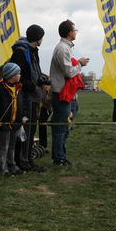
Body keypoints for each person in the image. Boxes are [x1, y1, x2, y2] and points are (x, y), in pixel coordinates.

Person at [49, 19, 89, 166]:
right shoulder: (62, 48)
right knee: (61, 126)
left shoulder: (66, 47)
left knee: (65, 125)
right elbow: (69, 72)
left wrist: (77, 63)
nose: (76, 32)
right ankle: (58, 158)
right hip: (62, 93)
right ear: (69, 33)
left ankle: (61, 155)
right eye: (74, 30)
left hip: (68, 93)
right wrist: (80, 64)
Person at [10, 24, 47, 172]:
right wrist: (31, 85)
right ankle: (21, 161)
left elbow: (34, 72)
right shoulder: (21, 51)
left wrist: (42, 80)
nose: (42, 39)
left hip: (33, 96)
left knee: (31, 130)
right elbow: (16, 75)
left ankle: (28, 160)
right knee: (25, 130)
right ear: (38, 38)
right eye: (42, 37)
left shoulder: (32, 51)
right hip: (25, 96)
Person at [0, 63, 27, 176]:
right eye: (18, 73)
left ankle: (11, 166)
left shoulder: (19, 88)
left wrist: (23, 117)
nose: (20, 75)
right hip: (2, 124)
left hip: (15, 123)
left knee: (12, 146)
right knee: (3, 147)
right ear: (12, 75)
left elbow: (22, 104)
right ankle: (1, 169)